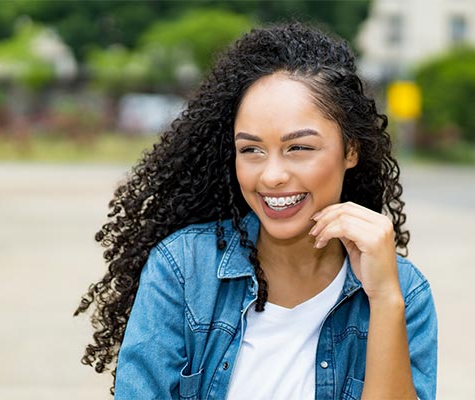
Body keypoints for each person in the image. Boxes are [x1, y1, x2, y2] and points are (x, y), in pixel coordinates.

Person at [75, 22, 437, 400]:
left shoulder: (404, 293)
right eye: (251, 150)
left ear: (351, 150)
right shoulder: (183, 270)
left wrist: (384, 300)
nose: (272, 175)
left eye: (299, 148)